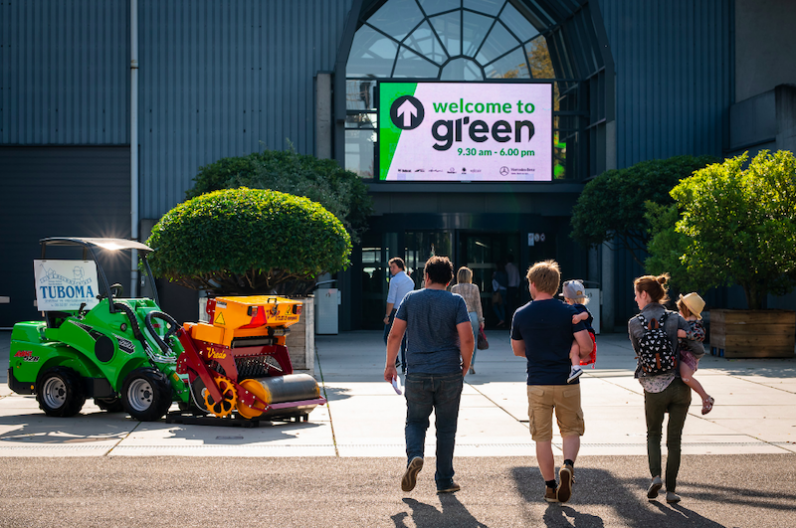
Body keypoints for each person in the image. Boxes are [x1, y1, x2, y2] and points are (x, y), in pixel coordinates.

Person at [384, 256, 473, 495]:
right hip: (449, 372)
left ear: (426, 276)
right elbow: (466, 337)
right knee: (446, 428)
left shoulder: (411, 299)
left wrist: (390, 365)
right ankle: (444, 480)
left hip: (417, 372)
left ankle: (415, 456)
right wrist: (466, 363)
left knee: (415, 421)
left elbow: (395, 335)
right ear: (449, 279)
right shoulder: (456, 301)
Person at [510, 260, 593, 504]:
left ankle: (549, 487)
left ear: (533, 285)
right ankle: (567, 465)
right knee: (571, 430)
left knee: (542, 437)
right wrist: (571, 350)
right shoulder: (569, 312)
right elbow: (586, 347)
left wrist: (538, 353)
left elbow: (517, 350)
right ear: (556, 286)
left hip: (537, 382)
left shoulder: (521, 314)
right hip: (567, 381)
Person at [629, 273, 690, 504]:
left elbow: (638, 351)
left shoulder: (634, 323)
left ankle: (655, 476)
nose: (635, 299)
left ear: (645, 294)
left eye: (636, 295)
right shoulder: (675, 318)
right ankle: (672, 491)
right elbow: (694, 345)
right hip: (679, 385)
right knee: (675, 440)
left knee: (653, 434)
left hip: (653, 387)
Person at [676, 292, 714, 415]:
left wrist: (685, 334)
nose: (679, 312)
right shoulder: (682, 322)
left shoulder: (696, 324)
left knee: (686, 377)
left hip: (689, 357)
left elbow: (700, 335)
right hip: (680, 354)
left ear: (686, 309)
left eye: (680, 309)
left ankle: (706, 397)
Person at [559, 280, 597, 383]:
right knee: (574, 351)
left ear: (567, 298)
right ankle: (575, 367)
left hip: (584, 334)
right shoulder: (579, 307)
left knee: (573, 352)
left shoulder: (577, 308)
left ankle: (576, 368)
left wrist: (579, 317)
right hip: (586, 334)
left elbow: (586, 315)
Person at [451, 266, 484, 375]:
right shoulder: (474, 288)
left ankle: (460, 362)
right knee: (472, 341)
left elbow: (452, 305)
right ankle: (471, 364)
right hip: (472, 315)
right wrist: (481, 319)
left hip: (458, 315)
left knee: (458, 340)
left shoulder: (454, 288)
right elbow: (478, 304)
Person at [383, 257, 414, 373]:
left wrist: (387, 315)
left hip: (396, 311)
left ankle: (395, 359)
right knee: (405, 339)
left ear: (400, 267)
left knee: (387, 336)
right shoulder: (410, 280)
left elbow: (391, 299)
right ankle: (405, 365)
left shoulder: (394, 280)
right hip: (408, 311)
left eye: (393, 267)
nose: (391, 269)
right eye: (390, 267)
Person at [505, 255, 520, 321]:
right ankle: (514, 318)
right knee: (514, 303)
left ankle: (508, 319)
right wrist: (517, 287)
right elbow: (518, 279)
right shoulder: (515, 268)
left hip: (508, 287)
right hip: (514, 287)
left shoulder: (505, 267)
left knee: (508, 304)